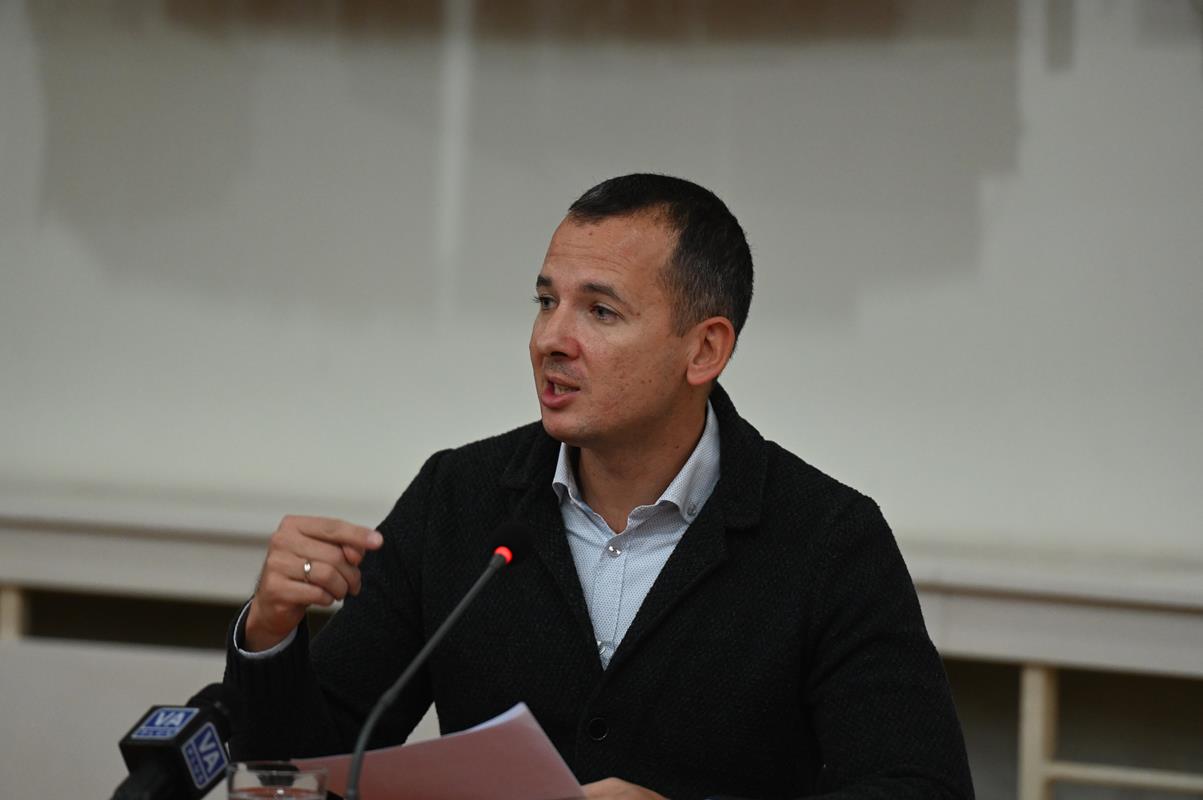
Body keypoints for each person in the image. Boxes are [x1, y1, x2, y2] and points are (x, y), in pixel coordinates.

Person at [223, 174, 975, 799]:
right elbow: (303, 770)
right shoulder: (460, 497)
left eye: (601, 311)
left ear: (704, 350)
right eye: (546, 301)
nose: (551, 339)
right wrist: (270, 635)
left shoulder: (827, 539)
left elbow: (919, 787)